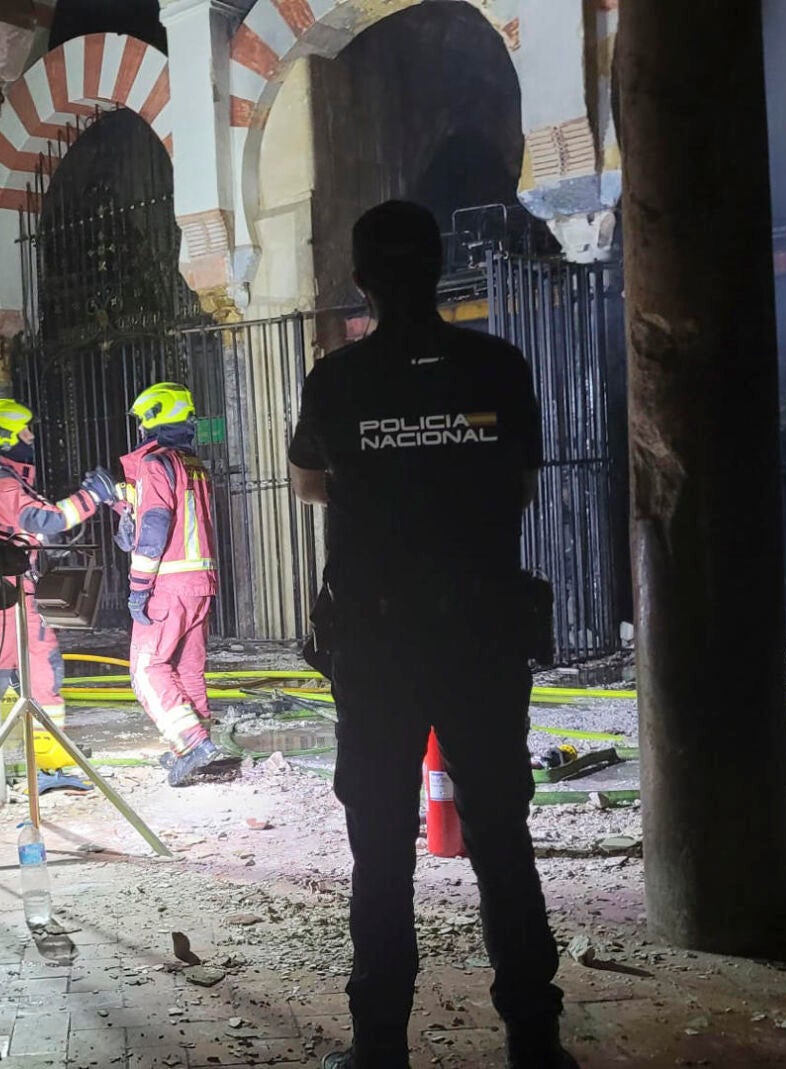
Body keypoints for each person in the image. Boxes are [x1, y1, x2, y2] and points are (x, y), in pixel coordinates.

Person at [289, 201, 572, 1069]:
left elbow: (308, 484)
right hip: (481, 635)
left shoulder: (337, 379)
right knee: (501, 839)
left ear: (362, 280)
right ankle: (534, 1041)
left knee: (381, 849)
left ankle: (379, 1045)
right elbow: (520, 485)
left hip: (377, 645)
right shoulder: (497, 366)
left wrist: (381, 480)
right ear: (440, 267)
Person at [0, 398, 116, 788]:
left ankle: (28, 763)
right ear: (5, 433)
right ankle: (40, 764)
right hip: (9, 595)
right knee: (32, 672)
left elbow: (32, 525)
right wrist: (92, 497)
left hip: (7, 592)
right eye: (24, 430)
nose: (31, 437)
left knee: (16, 674)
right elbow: (43, 518)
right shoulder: (0, 481)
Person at [113, 382, 229, 786]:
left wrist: (138, 586)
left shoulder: (154, 463)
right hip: (201, 582)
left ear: (155, 418)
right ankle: (200, 747)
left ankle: (192, 744)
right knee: (187, 669)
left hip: (168, 584)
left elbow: (155, 525)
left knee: (147, 670)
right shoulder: (191, 464)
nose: (140, 429)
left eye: (142, 421)